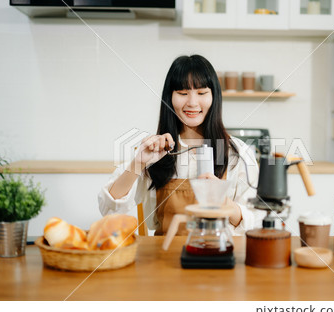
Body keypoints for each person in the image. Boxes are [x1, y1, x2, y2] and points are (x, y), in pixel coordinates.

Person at [98, 54, 259, 235]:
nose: (192, 102)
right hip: (163, 257)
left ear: (214, 97)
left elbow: (256, 223)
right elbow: (109, 209)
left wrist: (222, 201)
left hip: (219, 256)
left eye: (201, 93)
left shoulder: (238, 153)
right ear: (170, 97)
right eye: (183, 93)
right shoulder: (155, 150)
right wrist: (139, 163)